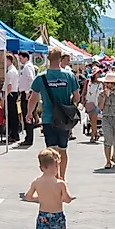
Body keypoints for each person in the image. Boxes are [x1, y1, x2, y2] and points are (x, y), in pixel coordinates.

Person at [26, 48, 80, 180]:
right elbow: (77, 97)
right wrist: (69, 103)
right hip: (64, 118)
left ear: (48, 59)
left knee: (51, 150)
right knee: (63, 149)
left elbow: (33, 98)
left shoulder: (41, 77)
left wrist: (29, 113)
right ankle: (62, 177)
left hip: (48, 118)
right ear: (60, 59)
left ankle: (54, 177)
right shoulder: (69, 76)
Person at [23, 148, 73, 229]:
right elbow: (68, 199)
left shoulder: (37, 182)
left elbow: (28, 197)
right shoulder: (60, 183)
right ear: (57, 165)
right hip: (57, 216)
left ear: (41, 168)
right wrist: (60, 196)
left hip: (43, 216)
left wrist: (40, 197)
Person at [18, 51, 37, 146]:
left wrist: (27, 92)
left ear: (26, 57)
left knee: (27, 115)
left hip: (27, 94)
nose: (20, 60)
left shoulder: (27, 67)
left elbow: (31, 79)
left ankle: (29, 138)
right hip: (26, 93)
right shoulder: (27, 66)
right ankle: (28, 137)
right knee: (27, 115)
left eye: (21, 58)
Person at [83, 68, 103, 143]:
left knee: (94, 120)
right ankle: (96, 133)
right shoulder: (88, 81)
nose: (99, 75)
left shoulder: (102, 83)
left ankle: (92, 136)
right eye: (97, 73)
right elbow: (84, 91)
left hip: (97, 103)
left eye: (100, 73)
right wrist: (82, 100)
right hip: (89, 102)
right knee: (91, 120)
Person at [6, 54, 21, 143]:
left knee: (12, 115)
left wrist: (5, 96)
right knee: (13, 115)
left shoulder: (11, 71)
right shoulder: (12, 70)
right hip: (13, 93)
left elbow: (9, 85)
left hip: (11, 94)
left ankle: (13, 134)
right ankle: (14, 134)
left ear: (9, 60)